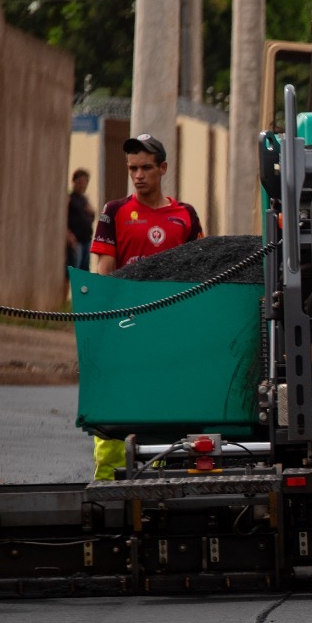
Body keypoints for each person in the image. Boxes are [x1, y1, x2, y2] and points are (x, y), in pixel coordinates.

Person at [88, 135, 202, 480]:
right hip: (127, 327)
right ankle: (107, 480)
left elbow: (200, 270)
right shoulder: (115, 212)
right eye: (132, 168)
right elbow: (103, 273)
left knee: (170, 402)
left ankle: (167, 473)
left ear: (162, 168)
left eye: (146, 168)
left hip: (172, 329)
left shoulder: (185, 215)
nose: (138, 175)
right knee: (117, 403)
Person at [66, 168, 94, 271]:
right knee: (74, 270)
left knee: (84, 270)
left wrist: (92, 212)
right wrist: (68, 234)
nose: (82, 185)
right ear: (73, 182)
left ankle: (83, 287)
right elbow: (64, 217)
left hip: (86, 240)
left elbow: (91, 217)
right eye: (79, 182)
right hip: (75, 241)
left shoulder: (85, 199)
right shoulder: (69, 198)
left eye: (84, 183)